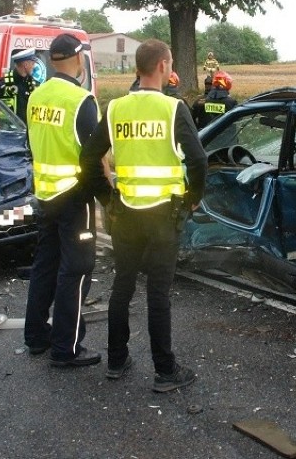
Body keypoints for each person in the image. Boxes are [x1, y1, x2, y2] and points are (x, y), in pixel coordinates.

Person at [80, 39, 207, 392]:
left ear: (137, 69)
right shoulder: (173, 108)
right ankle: (165, 371)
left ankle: (117, 361)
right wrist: (194, 197)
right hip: (163, 215)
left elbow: (89, 159)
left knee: (122, 286)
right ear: (165, 66)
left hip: (126, 214)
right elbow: (198, 160)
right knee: (158, 294)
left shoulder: (116, 109)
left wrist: (107, 198)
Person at [23, 33, 103, 368]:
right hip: (74, 197)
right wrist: (107, 201)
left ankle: (36, 336)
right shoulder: (82, 101)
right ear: (78, 58)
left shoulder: (36, 97)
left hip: (45, 195)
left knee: (45, 265)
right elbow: (95, 159)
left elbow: (32, 144)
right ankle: (65, 348)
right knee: (77, 270)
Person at [0, 49, 38, 123]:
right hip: (8, 132)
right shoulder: (3, 83)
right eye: (32, 63)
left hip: (29, 132)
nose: (34, 66)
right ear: (26, 65)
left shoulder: (34, 84)